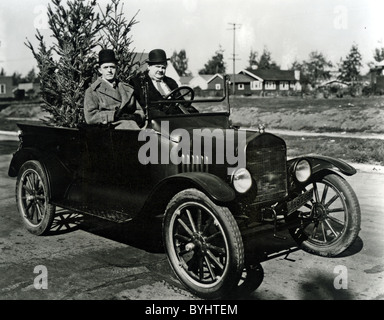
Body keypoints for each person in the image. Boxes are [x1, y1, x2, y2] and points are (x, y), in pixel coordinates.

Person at [84, 49, 144, 129]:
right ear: (100, 70)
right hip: (108, 129)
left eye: (112, 67)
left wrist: (135, 117)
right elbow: (90, 117)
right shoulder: (93, 91)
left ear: (116, 68)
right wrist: (113, 115)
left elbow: (139, 111)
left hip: (130, 126)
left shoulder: (126, 89)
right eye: (105, 67)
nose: (109, 70)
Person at [130, 49, 197, 117]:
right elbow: (139, 106)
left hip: (176, 117)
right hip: (157, 119)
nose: (161, 70)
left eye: (163, 67)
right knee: (162, 118)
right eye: (157, 67)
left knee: (196, 113)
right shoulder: (139, 82)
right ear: (149, 67)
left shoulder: (171, 82)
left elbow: (181, 101)